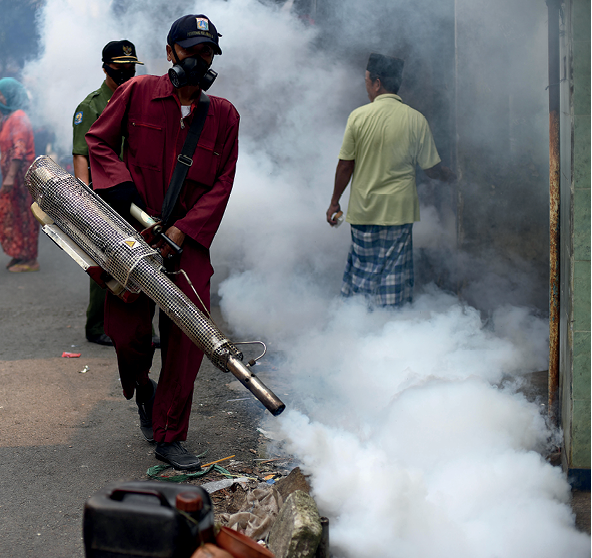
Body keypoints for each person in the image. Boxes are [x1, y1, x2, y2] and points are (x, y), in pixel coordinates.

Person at [86, 14, 240, 471]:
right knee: (127, 335)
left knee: (187, 341)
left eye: (207, 52)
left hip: (187, 242)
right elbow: (99, 144)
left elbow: (223, 182)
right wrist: (125, 195)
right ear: (170, 52)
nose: (200, 59)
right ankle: (143, 389)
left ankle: (171, 435)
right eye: (191, 50)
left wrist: (183, 229)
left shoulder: (225, 116)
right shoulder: (136, 93)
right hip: (130, 236)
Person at [326, 53, 456, 308]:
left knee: (363, 274)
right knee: (394, 275)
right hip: (399, 211)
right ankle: (391, 326)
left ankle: (358, 324)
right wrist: (448, 175)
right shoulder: (415, 119)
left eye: (366, 81)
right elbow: (431, 168)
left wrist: (334, 203)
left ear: (377, 83)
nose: (365, 87)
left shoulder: (359, 117)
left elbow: (345, 165)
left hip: (365, 210)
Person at [72, 40, 144, 346]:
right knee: (104, 262)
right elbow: (80, 154)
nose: (126, 71)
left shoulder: (141, 100)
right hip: (104, 194)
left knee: (141, 260)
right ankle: (96, 325)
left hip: (137, 193)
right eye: (120, 66)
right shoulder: (91, 106)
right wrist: (86, 202)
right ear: (105, 67)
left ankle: (143, 329)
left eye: (131, 66)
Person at [0, 77, 39, 273]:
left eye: (2, 94)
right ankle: (19, 254)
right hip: (14, 178)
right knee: (14, 215)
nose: (0, 98)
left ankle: (30, 260)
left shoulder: (18, 117)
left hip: (21, 178)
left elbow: (19, 149)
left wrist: (9, 177)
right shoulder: (11, 116)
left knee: (26, 216)